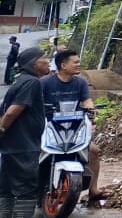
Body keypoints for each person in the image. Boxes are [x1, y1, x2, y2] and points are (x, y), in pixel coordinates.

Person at [42, 49, 108, 205]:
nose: (79, 64)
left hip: (74, 128)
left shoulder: (81, 83)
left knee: (93, 151)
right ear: (63, 65)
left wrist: (91, 111)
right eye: (76, 62)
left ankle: (93, 190)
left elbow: (87, 101)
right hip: (49, 128)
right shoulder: (45, 83)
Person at [0, 47, 51, 218]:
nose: (49, 62)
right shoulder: (32, 82)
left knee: (6, 188)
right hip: (24, 146)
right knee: (26, 190)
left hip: (12, 146)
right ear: (34, 63)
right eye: (45, 58)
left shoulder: (20, 80)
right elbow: (12, 112)